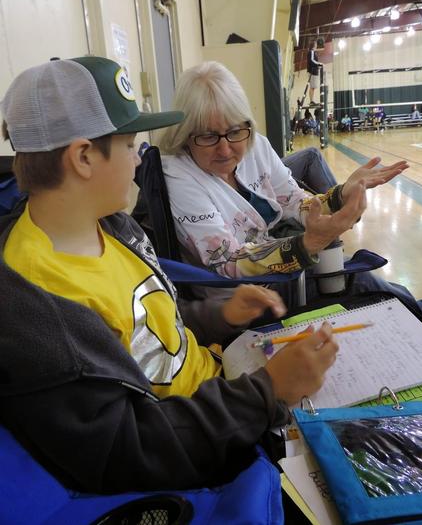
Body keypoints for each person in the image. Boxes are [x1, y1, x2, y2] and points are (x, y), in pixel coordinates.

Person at [0, 56, 339, 494]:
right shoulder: (37, 307)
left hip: (228, 390)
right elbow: (131, 448)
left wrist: (216, 314)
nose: (141, 160)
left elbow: (148, 327)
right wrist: (268, 392)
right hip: (213, 448)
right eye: (129, 145)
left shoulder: (110, 226)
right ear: (83, 157)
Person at [159, 61, 422, 332]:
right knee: (361, 284)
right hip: (243, 299)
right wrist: (309, 243)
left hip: (284, 268)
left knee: (352, 274)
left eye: (235, 131)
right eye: (208, 137)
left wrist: (339, 196)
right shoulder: (178, 173)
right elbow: (227, 263)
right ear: (186, 135)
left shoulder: (255, 145)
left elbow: (292, 201)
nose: (225, 149)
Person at [307, 40, 322, 106]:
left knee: (313, 87)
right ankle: (311, 101)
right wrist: (319, 64)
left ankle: (312, 101)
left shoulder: (314, 52)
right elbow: (312, 60)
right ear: (313, 45)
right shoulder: (311, 51)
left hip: (314, 71)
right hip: (312, 71)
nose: (316, 45)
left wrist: (318, 66)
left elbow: (313, 61)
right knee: (312, 87)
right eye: (315, 44)